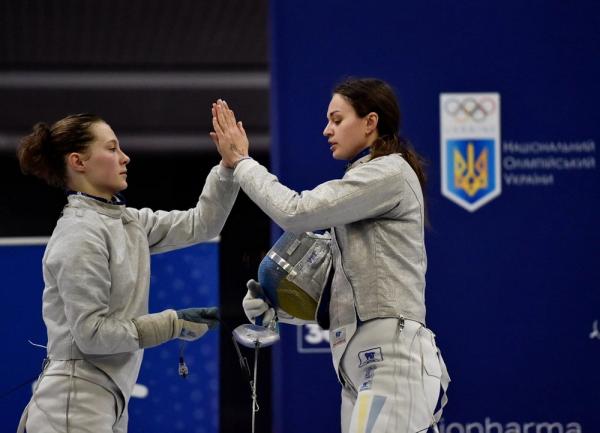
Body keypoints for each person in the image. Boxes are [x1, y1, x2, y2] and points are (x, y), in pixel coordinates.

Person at [211, 78, 449, 433]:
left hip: (391, 361)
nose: (327, 130)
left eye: (337, 120)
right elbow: (341, 296)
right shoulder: (364, 190)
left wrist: (243, 163)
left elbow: (296, 212)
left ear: (370, 122)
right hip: (357, 367)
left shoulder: (390, 172)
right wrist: (279, 307)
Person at [15, 113, 239, 433]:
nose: (125, 157)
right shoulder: (79, 234)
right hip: (74, 401)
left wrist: (228, 167)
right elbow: (92, 334)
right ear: (78, 161)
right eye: (111, 148)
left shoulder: (127, 221)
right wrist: (173, 324)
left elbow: (202, 224)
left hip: (104, 399)